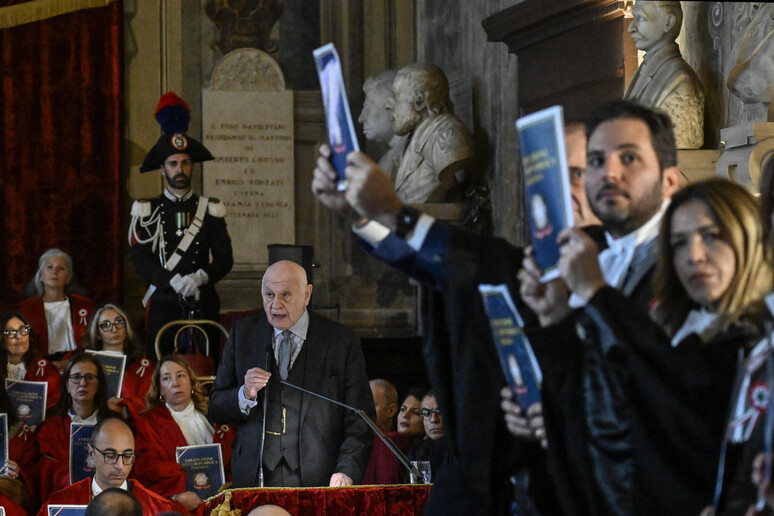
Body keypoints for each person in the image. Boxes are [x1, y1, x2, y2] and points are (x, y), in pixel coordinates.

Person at [311, 116, 606, 514]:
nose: (560, 188)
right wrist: (363, 218)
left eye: (575, 173)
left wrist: (396, 213)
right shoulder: (528, 267)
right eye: (547, 172)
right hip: (487, 481)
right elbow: (449, 269)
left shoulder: (623, 276)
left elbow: (469, 263)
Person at [209, 260, 374, 488]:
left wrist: (347, 470)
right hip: (254, 478)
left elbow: (361, 419)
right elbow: (215, 407)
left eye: (286, 294)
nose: (275, 304)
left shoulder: (340, 342)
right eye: (269, 294)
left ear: (307, 295)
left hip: (320, 478)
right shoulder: (242, 334)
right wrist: (244, 394)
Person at [128, 91, 234, 359]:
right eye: (173, 164)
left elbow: (224, 258)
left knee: (206, 368)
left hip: (203, 302)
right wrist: (172, 280)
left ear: (192, 167)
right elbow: (140, 258)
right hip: (164, 302)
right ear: (163, 169)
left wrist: (200, 277)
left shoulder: (210, 210)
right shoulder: (146, 210)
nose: (180, 169)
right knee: (162, 370)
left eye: (185, 163)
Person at [133, 354, 235, 512]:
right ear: (159, 388)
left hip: (222, 502)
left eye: (181, 375)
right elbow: (146, 469)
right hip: (177, 506)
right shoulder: (148, 423)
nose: (175, 383)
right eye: (167, 378)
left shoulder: (216, 416)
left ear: (191, 382)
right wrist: (175, 495)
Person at [37, 418, 176, 515]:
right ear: (91, 453)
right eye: (110, 455)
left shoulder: (157, 508)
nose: (119, 466)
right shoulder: (59, 505)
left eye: (127, 456)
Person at [35, 352, 120, 502]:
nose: (82, 383)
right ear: (67, 385)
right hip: (67, 497)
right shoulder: (51, 428)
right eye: (76, 377)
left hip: (108, 497)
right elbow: (47, 470)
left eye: (89, 377)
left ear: (99, 384)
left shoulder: (115, 425)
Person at [386, 63, 473, 203]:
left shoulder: (449, 134)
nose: (388, 105)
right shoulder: (412, 140)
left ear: (419, 101)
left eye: (397, 96)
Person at [624, 1, 704, 148]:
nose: (631, 28)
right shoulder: (645, 70)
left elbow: (682, 148)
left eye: (641, 18)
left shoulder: (679, 80)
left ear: (668, 22)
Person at [19, 248, 96, 366]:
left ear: (68, 278)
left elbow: (93, 343)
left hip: (78, 366)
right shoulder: (25, 309)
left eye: (61, 268)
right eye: (49, 267)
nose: (54, 271)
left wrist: (69, 363)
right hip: (37, 368)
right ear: (40, 276)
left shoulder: (86, 306)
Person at [84, 303, 155, 419]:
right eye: (106, 325)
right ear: (97, 334)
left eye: (119, 322)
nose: (114, 329)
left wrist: (124, 409)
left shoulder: (141, 367)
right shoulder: (86, 363)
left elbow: (148, 403)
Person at [0, 311, 61, 411]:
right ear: (2, 341)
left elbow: (53, 409)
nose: (18, 336)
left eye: (23, 330)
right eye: (11, 332)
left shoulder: (46, 371)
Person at [361, 379, 415, 484]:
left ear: (391, 410)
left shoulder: (395, 441)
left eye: (371, 405)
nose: (364, 411)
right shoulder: (355, 440)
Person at [359, 70, 407, 181]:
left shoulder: (422, 153)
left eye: (368, 107)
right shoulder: (385, 164)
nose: (361, 118)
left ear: (391, 107)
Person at [406, 392, 449, 484]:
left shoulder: (464, 449)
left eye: (440, 412)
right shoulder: (416, 452)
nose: (434, 419)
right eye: (427, 413)